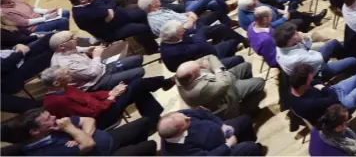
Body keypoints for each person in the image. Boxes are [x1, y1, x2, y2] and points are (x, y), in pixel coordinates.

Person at [41, 65, 165, 129]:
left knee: (138, 89)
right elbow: (90, 114)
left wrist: (110, 92)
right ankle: (165, 82)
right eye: (67, 74)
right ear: (56, 83)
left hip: (104, 106)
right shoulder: (58, 101)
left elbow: (89, 95)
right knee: (138, 84)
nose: (70, 74)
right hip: (100, 118)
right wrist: (111, 98)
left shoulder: (65, 87)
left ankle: (154, 121)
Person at [7, 108, 156, 156]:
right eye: (48, 118)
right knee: (151, 145)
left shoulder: (54, 126)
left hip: (107, 138)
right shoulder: (45, 152)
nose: (54, 117)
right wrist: (71, 129)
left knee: (144, 122)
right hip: (104, 153)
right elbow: (89, 145)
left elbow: (89, 120)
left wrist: (82, 136)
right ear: (34, 131)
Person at [289, 63, 356, 125]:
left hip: (332, 92)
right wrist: (323, 88)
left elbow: (317, 82)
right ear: (303, 85)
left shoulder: (295, 86)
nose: (312, 80)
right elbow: (333, 99)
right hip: (339, 107)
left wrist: (321, 87)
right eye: (309, 80)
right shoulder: (306, 104)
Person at [49, 31, 150, 91]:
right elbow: (92, 73)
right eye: (71, 38)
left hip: (102, 68)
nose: (76, 38)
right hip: (97, 82)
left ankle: (131, 80)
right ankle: (134, 89)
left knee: (137, 59)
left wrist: (87, 49)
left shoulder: (64, 50)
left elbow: (77, 48)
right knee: (139, 72)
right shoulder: (65, 64)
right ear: (61, 46)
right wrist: (96, 56)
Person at [68, 0, 159, 54]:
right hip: (112, 31)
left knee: (142, 13)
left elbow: (111, 1)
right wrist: (97, 0)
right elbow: (104, 12)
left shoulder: (91, 2)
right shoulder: (81, 13)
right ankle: (152, 49)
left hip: (119, 19)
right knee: (142, 28)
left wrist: (109, 11)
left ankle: (146, 39)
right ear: (82, 0)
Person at [175, 56, 266, 120]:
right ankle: (250, 111)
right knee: (260, 82)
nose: (199, 66)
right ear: (192, 77)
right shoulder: (200, 89)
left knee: (246, 66)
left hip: (221, 80)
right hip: (227, 93)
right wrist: (217, 69)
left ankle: (248, 96)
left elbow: (210, 57)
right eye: (198, 69)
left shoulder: (180, 76)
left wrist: (216, 71)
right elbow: (225, 83)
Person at [159, 109, 264, 156]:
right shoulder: (177, 152)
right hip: (220, 150)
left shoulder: (179, 116)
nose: (188, 117)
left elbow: (203, 114)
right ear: (180, 131)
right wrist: (228, 145)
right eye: (186, 121)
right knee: (250, 147)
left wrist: (222, 125)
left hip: (221, 130)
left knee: (245, 120)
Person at [274, 22, 356, 80]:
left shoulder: (280, 45)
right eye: (295, 34)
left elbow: (308, 46)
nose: (299, 32)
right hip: (315, 73)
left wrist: (304, 38)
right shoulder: (294, 58)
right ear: (289, 41)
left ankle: (345, 58)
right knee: (353, 60)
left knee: (334, 43)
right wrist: (303, 40)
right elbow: (319, 59)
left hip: (310, 59)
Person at [160, 20, 244, 73]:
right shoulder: (173, 52)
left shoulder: (174, 36)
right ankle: (224, 69)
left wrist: (197, 36)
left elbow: (196, 32)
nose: (184, 32)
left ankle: (225, 67)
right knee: (238, 57)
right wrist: (197, 36)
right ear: (175, 36)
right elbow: (201, 45)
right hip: (198, 67)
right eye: (181, 32)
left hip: (202, 52)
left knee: (227, 35)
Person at [0, 0, 71, 32]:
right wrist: (46, 18)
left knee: (65, 12)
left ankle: (61, 35)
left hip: (39, 18)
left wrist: (47, 11)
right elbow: (25, 23)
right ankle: (61, 40)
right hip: (32, 28)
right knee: (63, 21)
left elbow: (32, 8)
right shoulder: (5, 11)